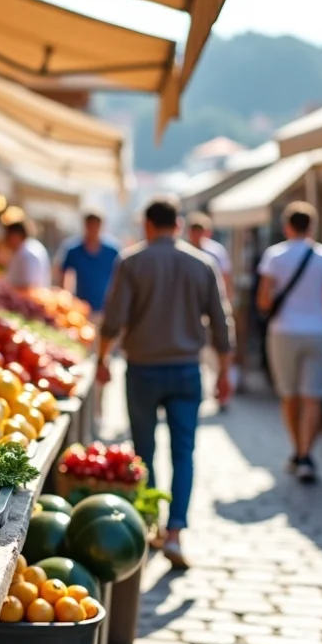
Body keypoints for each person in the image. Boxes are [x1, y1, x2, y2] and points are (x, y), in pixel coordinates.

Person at [96, 196, 233, 567]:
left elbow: (113, 319)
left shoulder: (132, 262)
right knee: (184, 452)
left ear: (147, 225)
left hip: (142, 370)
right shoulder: (202, 264)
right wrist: (224, 372)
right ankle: (175, 532)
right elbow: (221, 323)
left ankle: (152, 522)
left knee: (144, 450)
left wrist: (103, 358)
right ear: (179, 224)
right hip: (188, 370)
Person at [256, 201, 322, 484]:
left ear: (287, 226)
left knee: (289, 395)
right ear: (312, 226)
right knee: (313, 396)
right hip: (317, 330)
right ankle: (306, 454)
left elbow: (264, 301)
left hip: (283, 332)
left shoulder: (274, 256)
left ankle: (297, 450)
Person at [186, 212, 235, 408]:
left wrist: (226, 304)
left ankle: (221, 391)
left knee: (217, 352)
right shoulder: (184, 252)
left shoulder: (216, 252)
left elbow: (226, 279)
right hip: (192, 312)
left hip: (212, 308)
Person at [54, 212, 121, 317]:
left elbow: (119, 276)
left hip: (105, 307)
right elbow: (63, 273)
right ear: (85, 226)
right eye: (90, 225)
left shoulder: (112, 251)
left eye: (96, 225)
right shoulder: (74, 250)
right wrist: (66, 298)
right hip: (80, 308)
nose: (93, 229)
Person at [3, 221, 51, 289]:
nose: (6, 240)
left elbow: (29, 286)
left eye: (8, 236)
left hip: (27, 298)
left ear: (16, 235)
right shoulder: (25, 249)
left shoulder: (28, 253)